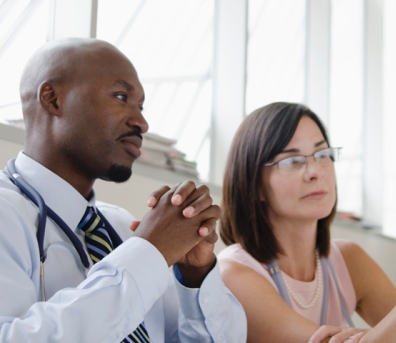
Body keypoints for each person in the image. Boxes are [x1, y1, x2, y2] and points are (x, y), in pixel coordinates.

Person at [0, 38, 246, 342]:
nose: (141, 122)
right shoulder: (6, 215)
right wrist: (150, 252)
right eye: (121, 97)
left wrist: (196, 274)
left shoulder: (122, 228)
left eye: (141, 106)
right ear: (52, 99)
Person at [217, 102, 396, 343]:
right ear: (254, 186)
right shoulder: (233, 274)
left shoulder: (348, 259)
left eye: (323, 155)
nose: (315, 171)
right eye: (291, 161)